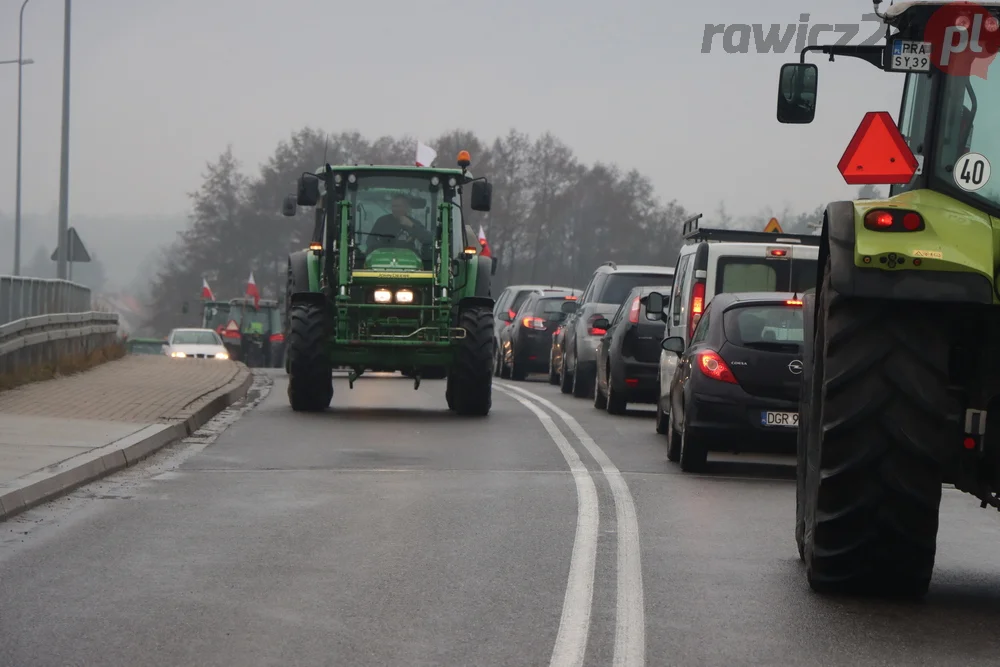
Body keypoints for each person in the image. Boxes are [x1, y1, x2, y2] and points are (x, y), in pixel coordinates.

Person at [368, 194, 434, 252]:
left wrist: (411, 225)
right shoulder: (382, 221)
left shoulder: (413, 223)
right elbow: (370, 240)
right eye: (394, 206)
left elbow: (428, 239)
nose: (395, 209)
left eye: (398, 206)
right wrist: (380, 249)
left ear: (406, 207)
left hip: (409, 258)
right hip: (384, 256)